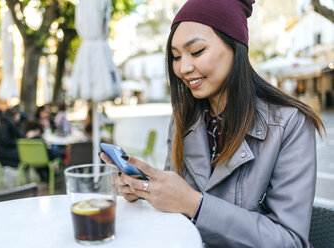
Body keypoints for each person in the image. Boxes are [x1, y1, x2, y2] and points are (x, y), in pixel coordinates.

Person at [100, 0, 325, 247]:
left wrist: (194, 204)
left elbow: (289, 240)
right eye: (176, 57)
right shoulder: (183, 119)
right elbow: (175, 214)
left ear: (235, 46)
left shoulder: (290, 124)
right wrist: (144, 190)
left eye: (196, 51)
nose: (183, 68)